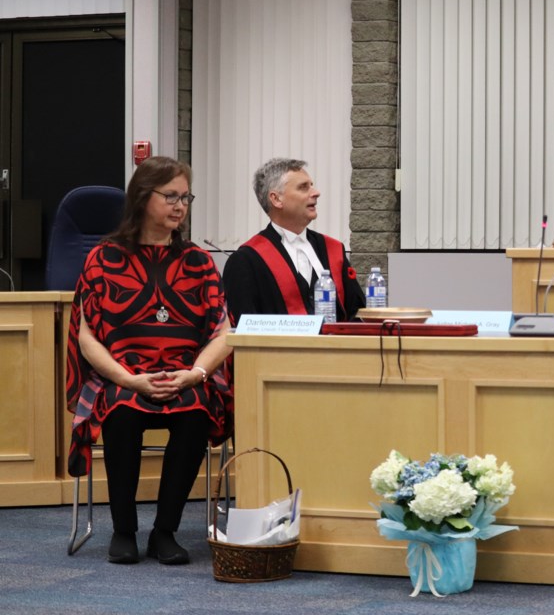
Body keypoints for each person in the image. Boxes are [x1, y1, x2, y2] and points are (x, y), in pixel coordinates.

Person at [66, 156, 233, 566]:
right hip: (122, 377)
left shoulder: (199, 262)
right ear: (143, 198)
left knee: (194, 415)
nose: (180, 206)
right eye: (171, 196)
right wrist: (131, 379)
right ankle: (124, 530)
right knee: (122, 413)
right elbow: (87, 338)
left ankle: (165, 531)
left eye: (185, 197)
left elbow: (224, 332)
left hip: (184, 378)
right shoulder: (103, 258)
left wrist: (195, 374)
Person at [222, 157, 365, 324]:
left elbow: (357, 315)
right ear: (276, 199)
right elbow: (244, 331)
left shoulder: (333, 250)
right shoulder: (246, 261)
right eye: (303, 187)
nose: (316, 192)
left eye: (311, 185)